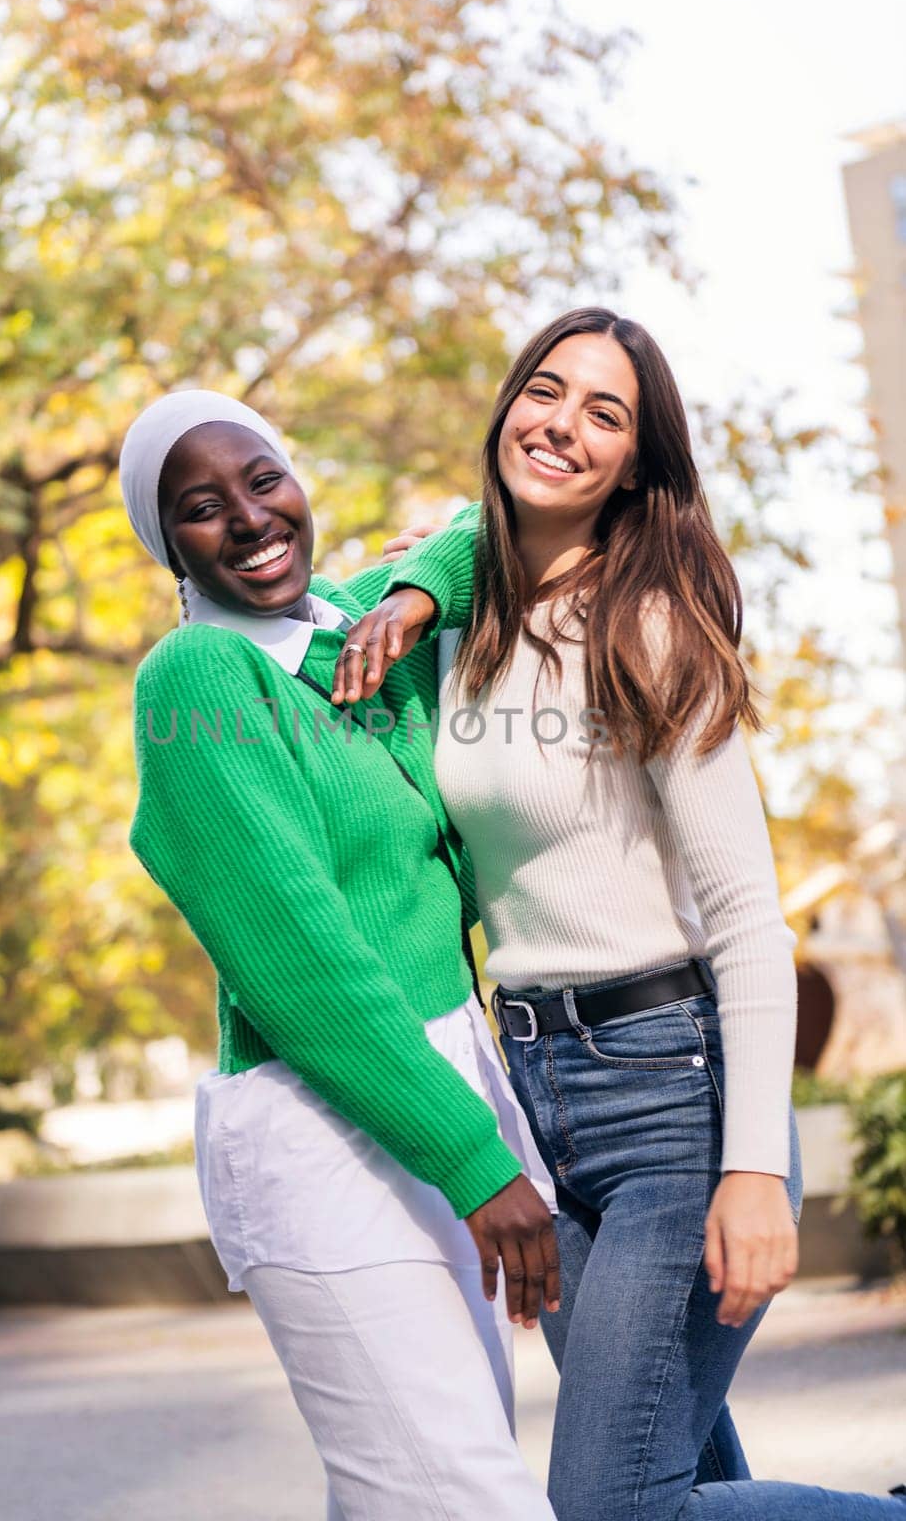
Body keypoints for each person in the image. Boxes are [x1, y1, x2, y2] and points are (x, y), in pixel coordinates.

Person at [332, 309, 906, 1521]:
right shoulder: (462, 620)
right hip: (537, 1101)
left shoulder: (644, 627)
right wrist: (418, 582)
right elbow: (411, 565)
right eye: (545, 391)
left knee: (610, 1504)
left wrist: (753, 1167)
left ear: (637, 465)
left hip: (671, 1102)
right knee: (673, 1470)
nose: (561, 425)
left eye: (606, 413)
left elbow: (750, 917)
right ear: (504, 408)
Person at [118, 389, 560, 1521]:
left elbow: (491, 522)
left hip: (436, 1088)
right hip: (329, 1136)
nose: (249, 518)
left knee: (415, 1487)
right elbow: (299, 963)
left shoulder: (351, 633)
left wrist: (413, 594)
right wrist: (473, 1160)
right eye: (201, 507)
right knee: (457, 1494)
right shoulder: (200, 679)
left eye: (263, 479)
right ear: (168, 543)